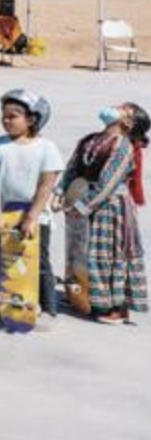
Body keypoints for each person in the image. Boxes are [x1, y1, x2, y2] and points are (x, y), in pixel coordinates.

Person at [60, 102, 149, 324]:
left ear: (127, 122)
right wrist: (61, 192)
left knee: (104, 254)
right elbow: (72, 168)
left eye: (123, 108)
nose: (115, 106)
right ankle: (82, 296)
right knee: (80, 251)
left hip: (108, 208)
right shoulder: (90, 139)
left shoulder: (123, 146)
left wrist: (82, 207)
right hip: (81, 201)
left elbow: (107, 184)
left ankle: (112, 307)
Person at [0, 89, 63, 327]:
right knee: (6, 261)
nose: (6, 120)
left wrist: (32, 216)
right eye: (4, 115)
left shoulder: (47, 147)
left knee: (39, 262)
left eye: (13, 116)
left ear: (32, 119)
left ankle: (46, 310)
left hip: (37, 217)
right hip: (5, 215)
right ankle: (6, 306)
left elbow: (47, 185)